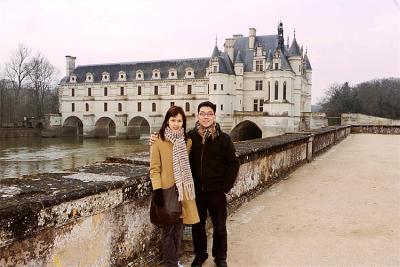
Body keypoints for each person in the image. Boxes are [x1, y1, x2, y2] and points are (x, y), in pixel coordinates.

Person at [151, 101, 240, 267]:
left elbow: (234, 164)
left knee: (220, 227)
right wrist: (154, 138)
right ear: (198, 116)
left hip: (216, 191)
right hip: (196, 191)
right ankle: (200, 255)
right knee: (198, 227)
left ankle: (220, 258)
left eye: (209, 113)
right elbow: (171, 148)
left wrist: (225, 187)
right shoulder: (190, 138)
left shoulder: (224, 139)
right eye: (202, 113)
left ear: (214, 116)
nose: (206, 116)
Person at [150, 106, 200, 267]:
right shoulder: (158, 139)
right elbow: (154, 168)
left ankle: (175, 260)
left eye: (179, 120)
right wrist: (157, 189)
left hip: (183, 190)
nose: (176, 124)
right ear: (167, 121)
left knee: (179, 229)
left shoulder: (187, 141)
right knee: (168, 230)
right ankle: (170, 263)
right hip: (166, 191)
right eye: (173, 120)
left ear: (183, 122)